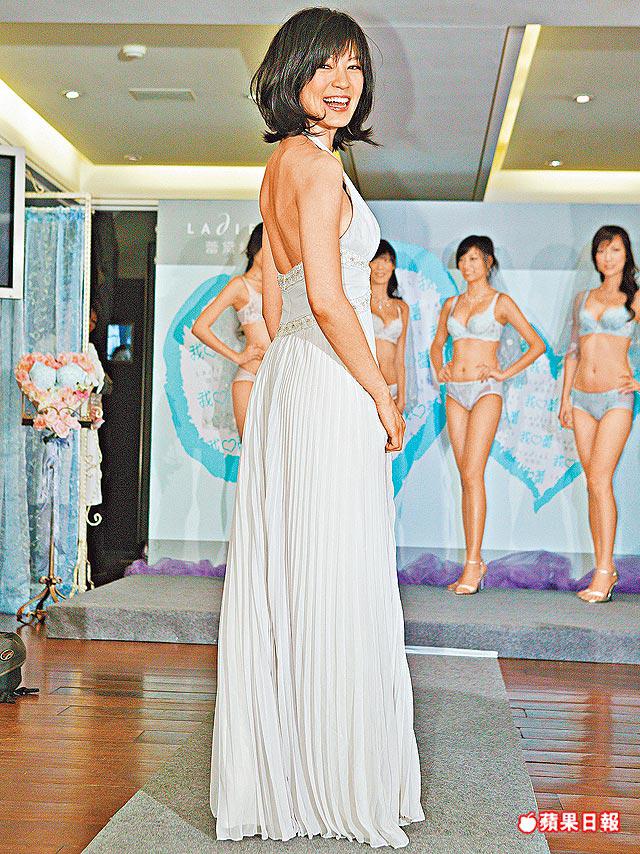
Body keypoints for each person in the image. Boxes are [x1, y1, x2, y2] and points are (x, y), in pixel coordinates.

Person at [210, 8, 424, 847]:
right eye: (325, 65)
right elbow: (333, 302)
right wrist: (381, 394)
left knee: (297, 567)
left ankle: (293, 777)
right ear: (289, 73)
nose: (342, 83)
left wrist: (305, 363)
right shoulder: (320, 169)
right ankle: (338, 784)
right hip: (330, 379)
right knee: (335, 565)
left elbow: (276, 300)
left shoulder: (280, 167)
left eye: (354, 68)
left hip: (291, 378)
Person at [430, 235, 545, 594]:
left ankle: (472, 564)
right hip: (455, 392)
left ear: (489, 262)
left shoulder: (501, 302)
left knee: (472, 472)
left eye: (474, 259)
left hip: (485, 391)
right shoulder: (451, 304)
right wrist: (440, 367)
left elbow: (536, 345)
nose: (467, 265)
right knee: (464, 478)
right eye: (463, 259)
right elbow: (437, 344)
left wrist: (504, 373)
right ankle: (473, 561)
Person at [560, 225, 640, 603]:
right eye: (601, 251)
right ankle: (602, 565)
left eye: (615, 250)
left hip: (615, 399)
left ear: (627, 255)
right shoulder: (583, 298)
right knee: (592, 484)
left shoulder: (635, 298)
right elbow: (572, 351)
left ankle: (605, 571)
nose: (607, 257)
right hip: (581, 399)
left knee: (599, 479)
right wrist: (564, 399)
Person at [191, 223, 269, 437]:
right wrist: (238, 357)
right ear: (255, 247)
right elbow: (200, 327)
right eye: (267, 246)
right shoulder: (240, 285)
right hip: (250, 377)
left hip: (279, 375)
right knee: (251, 450)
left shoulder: (280, 286)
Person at [370, 239, 409, 411]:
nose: (380, 266)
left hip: (393, 388)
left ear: (393, 266)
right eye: (375, 260)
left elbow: (400, 356)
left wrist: (402, 397)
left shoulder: (402, 308)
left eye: (386, 260)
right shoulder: (358, 302)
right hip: (365, 387)